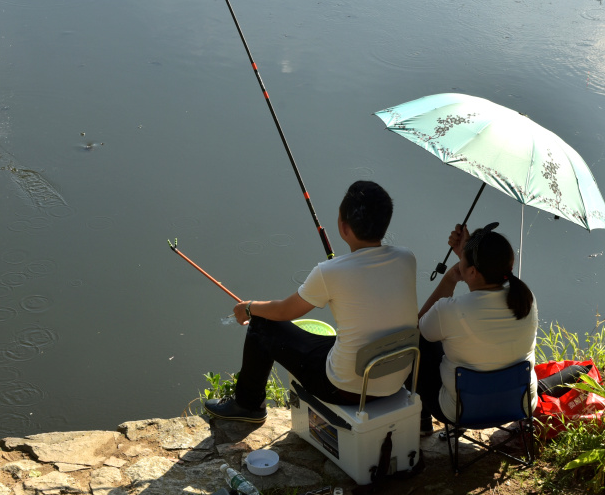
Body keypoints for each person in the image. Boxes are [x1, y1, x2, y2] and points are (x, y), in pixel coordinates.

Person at [204, 181, 418, 423]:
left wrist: (249, 307)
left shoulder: (330, 272)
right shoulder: (406, 258)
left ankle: (247, 405)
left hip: (344, 389)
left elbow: (285, 311)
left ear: (343, 227)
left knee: (262, 325)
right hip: (394, 378)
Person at [416, 223, 538, 434]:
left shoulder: (451, 310)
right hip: (519, 404)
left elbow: (417, 328)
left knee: (419, 343)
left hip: (462, 412)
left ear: (472, 271)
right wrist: (465, 256)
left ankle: (422, 419)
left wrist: (451, 277)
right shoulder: (527, 300)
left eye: (463, 260)